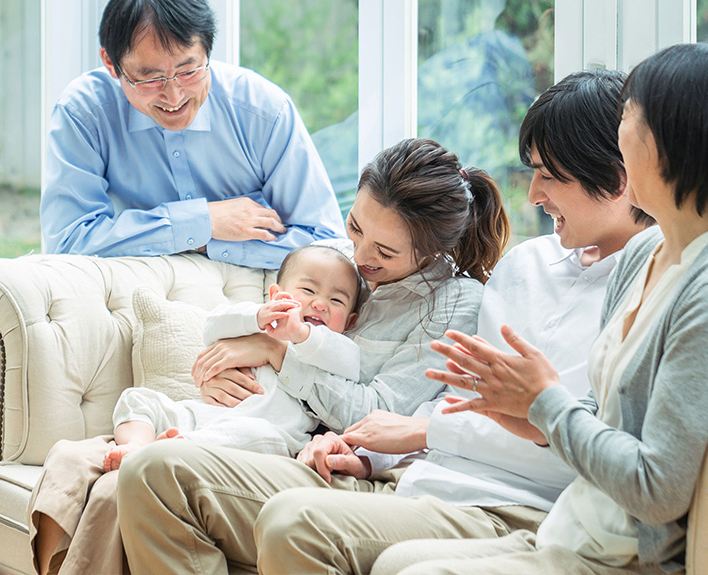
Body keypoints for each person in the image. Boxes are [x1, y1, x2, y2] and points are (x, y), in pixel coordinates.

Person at [201, 69, 657, 575]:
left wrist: (422, 432)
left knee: (295, 524)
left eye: (548, 175)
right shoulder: (523, 266)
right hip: (420, 483)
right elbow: (453, 397)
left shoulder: (654, 286)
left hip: (517, 508)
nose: (531, 195)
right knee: (188, 485)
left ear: (616, 179)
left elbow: (584, 447)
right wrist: (369, 454)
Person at [379, 43, 708, 575]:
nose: (617, 142)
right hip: (579, 530)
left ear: (671, 142)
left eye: (628, 119)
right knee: (396, 563)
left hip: (628, 558)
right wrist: (526, 409)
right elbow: (602, 416)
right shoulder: (651, 250)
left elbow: (658, 490)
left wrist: (546, 405)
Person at [113, 136, 511, 573]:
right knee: (125, 461)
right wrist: (229, 363)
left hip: (331, 459)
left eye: (385, 251)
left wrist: (276, 353)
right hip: (264, 421)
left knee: (157, 471)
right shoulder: (339, 264)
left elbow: (375, 416)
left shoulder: (454, 303)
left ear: (432, 249)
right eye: (356, 227)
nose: (359, 257)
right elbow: (261, 319)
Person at [39, 0, 345, 269]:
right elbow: (67, 241)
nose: (174, 97)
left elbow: (327, 245)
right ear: (111, 64)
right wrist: (204, 223)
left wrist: (203, 242)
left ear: (208, 50)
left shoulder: (263, 110)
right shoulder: (83, 113)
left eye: (189, 72)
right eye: (150, 79)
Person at [103, 243, 363, 467]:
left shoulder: (337, 349)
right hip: (207, 415)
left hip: (272, 432)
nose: (320, 304)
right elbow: (213, 326)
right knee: (138, 398)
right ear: (275, 295)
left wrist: (300, 333)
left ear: (350, 322)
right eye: (308, 291)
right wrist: (258, 317)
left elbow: (348, 362)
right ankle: (136, 447)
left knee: (254, 434)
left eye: (336, 301)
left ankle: (178, 450)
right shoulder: (257, 322)